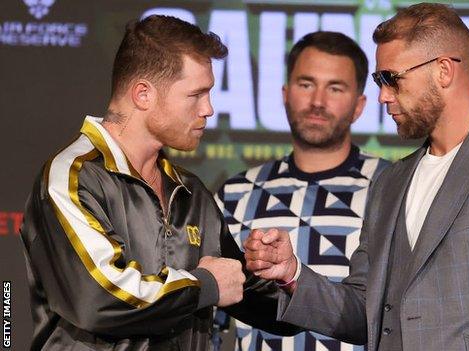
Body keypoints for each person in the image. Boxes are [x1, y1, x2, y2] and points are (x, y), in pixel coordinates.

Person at [244, 3, 469, 350]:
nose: (384, 96)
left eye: (392, 78)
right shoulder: (392, 181)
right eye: (378, 81)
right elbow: (365, 313)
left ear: (444, 70)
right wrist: (292, 274)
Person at [20, 15, 296, 350]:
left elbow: (243, 292)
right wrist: (204, 284)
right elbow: (99, 298)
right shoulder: (73, 176)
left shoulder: (191, 192)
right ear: (143, 94)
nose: (209, 109)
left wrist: (286, 278)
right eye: (197, 94)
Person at [214, 31, 390, 351]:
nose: (318, 102)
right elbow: (210, 314)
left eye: (335, 88)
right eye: (306, 84)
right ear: (285, 92)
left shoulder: (393, 186)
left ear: (360, 105)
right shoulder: (235, 194)